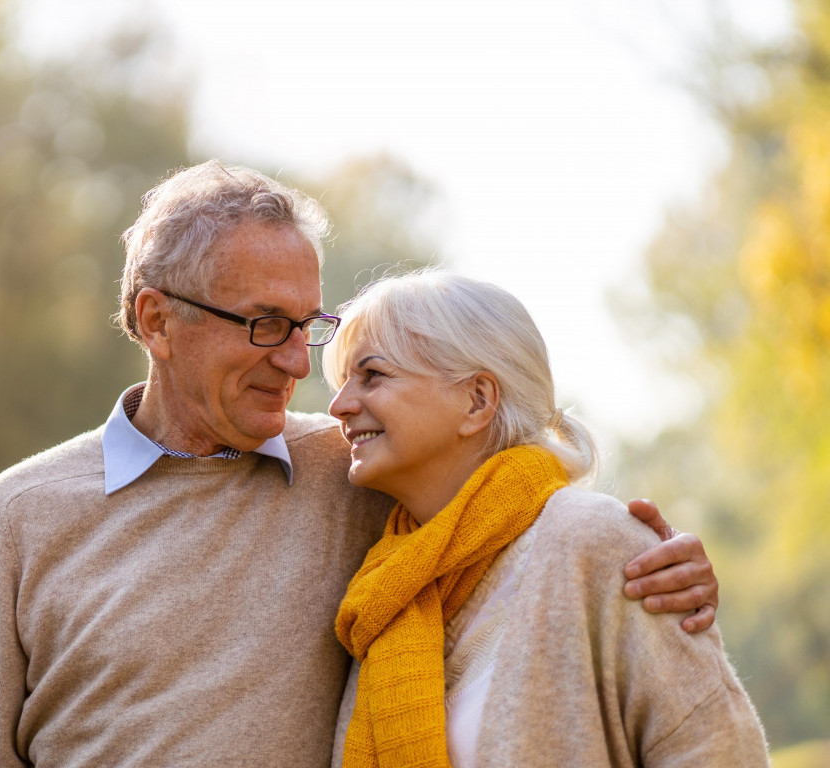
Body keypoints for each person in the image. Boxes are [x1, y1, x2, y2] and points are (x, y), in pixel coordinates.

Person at [0, 161, 720, 767]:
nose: (299, 363)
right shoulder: (20, 514)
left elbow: (507, 502)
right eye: (265, 324)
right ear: (157, 319)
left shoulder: (358, 471)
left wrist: (655, 568)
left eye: (309, 324)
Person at [324, 270, 766, 767]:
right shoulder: (382, 592)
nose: (338, 407)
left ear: (477, 401)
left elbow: (717, 749)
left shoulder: (595, 541)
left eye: (373, 375)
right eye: (342, 384)